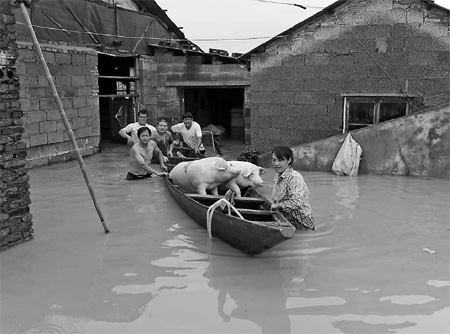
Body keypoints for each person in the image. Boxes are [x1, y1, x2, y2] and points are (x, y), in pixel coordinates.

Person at [270, 146, 315, 230]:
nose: (276, 164)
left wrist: (279, 205)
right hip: (288, 222)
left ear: (289, 160)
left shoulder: (294, 177)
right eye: (274, 160)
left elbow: (296, 202)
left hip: (302, 224)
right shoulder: (277, 176)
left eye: (280, 160)